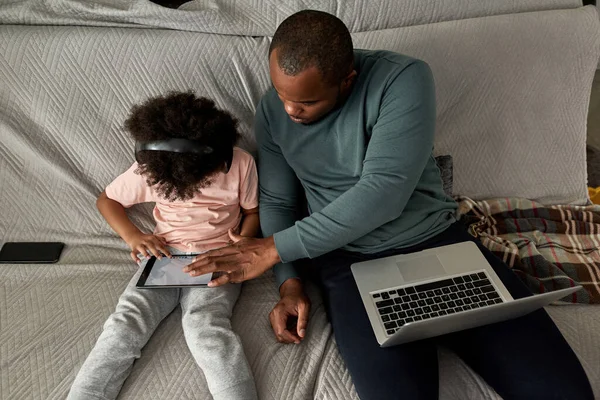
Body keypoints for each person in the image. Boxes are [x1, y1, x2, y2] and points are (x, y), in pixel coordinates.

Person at [183, 10, 593, 400]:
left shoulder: (404, 79)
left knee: (565, 392)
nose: (290, 111)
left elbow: (384, 193)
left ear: (347, 81)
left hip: (438, 244)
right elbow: (277, 198)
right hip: (348, 262)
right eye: (281, 94)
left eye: (306, 104)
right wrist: (289, 283)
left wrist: (273, 250)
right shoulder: (273, 110)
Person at [68, 92, 258, 400]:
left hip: (218, 257)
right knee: (123, 326)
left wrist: (245, 243)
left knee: (205, 329)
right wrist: (133, 236)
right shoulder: (152, 167)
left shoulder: (239, 163)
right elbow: (108, 200)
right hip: (165, 255)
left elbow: (252, 211)